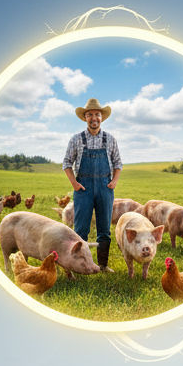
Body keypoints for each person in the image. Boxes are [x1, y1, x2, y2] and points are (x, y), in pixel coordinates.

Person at [62, 97, 122, 271]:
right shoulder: (76, 139)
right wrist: (74, 184)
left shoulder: (110, 139)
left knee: (104, 229)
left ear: (102, 117)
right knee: (80, 229)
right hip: (83, 187)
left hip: (105, 187)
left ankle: (103, 265)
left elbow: (118, 163)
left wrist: (114, 182)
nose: (94, 118)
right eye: (90, 115)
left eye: (97, 114)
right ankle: (78, 264)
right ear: (85, 117)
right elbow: (66, 162)